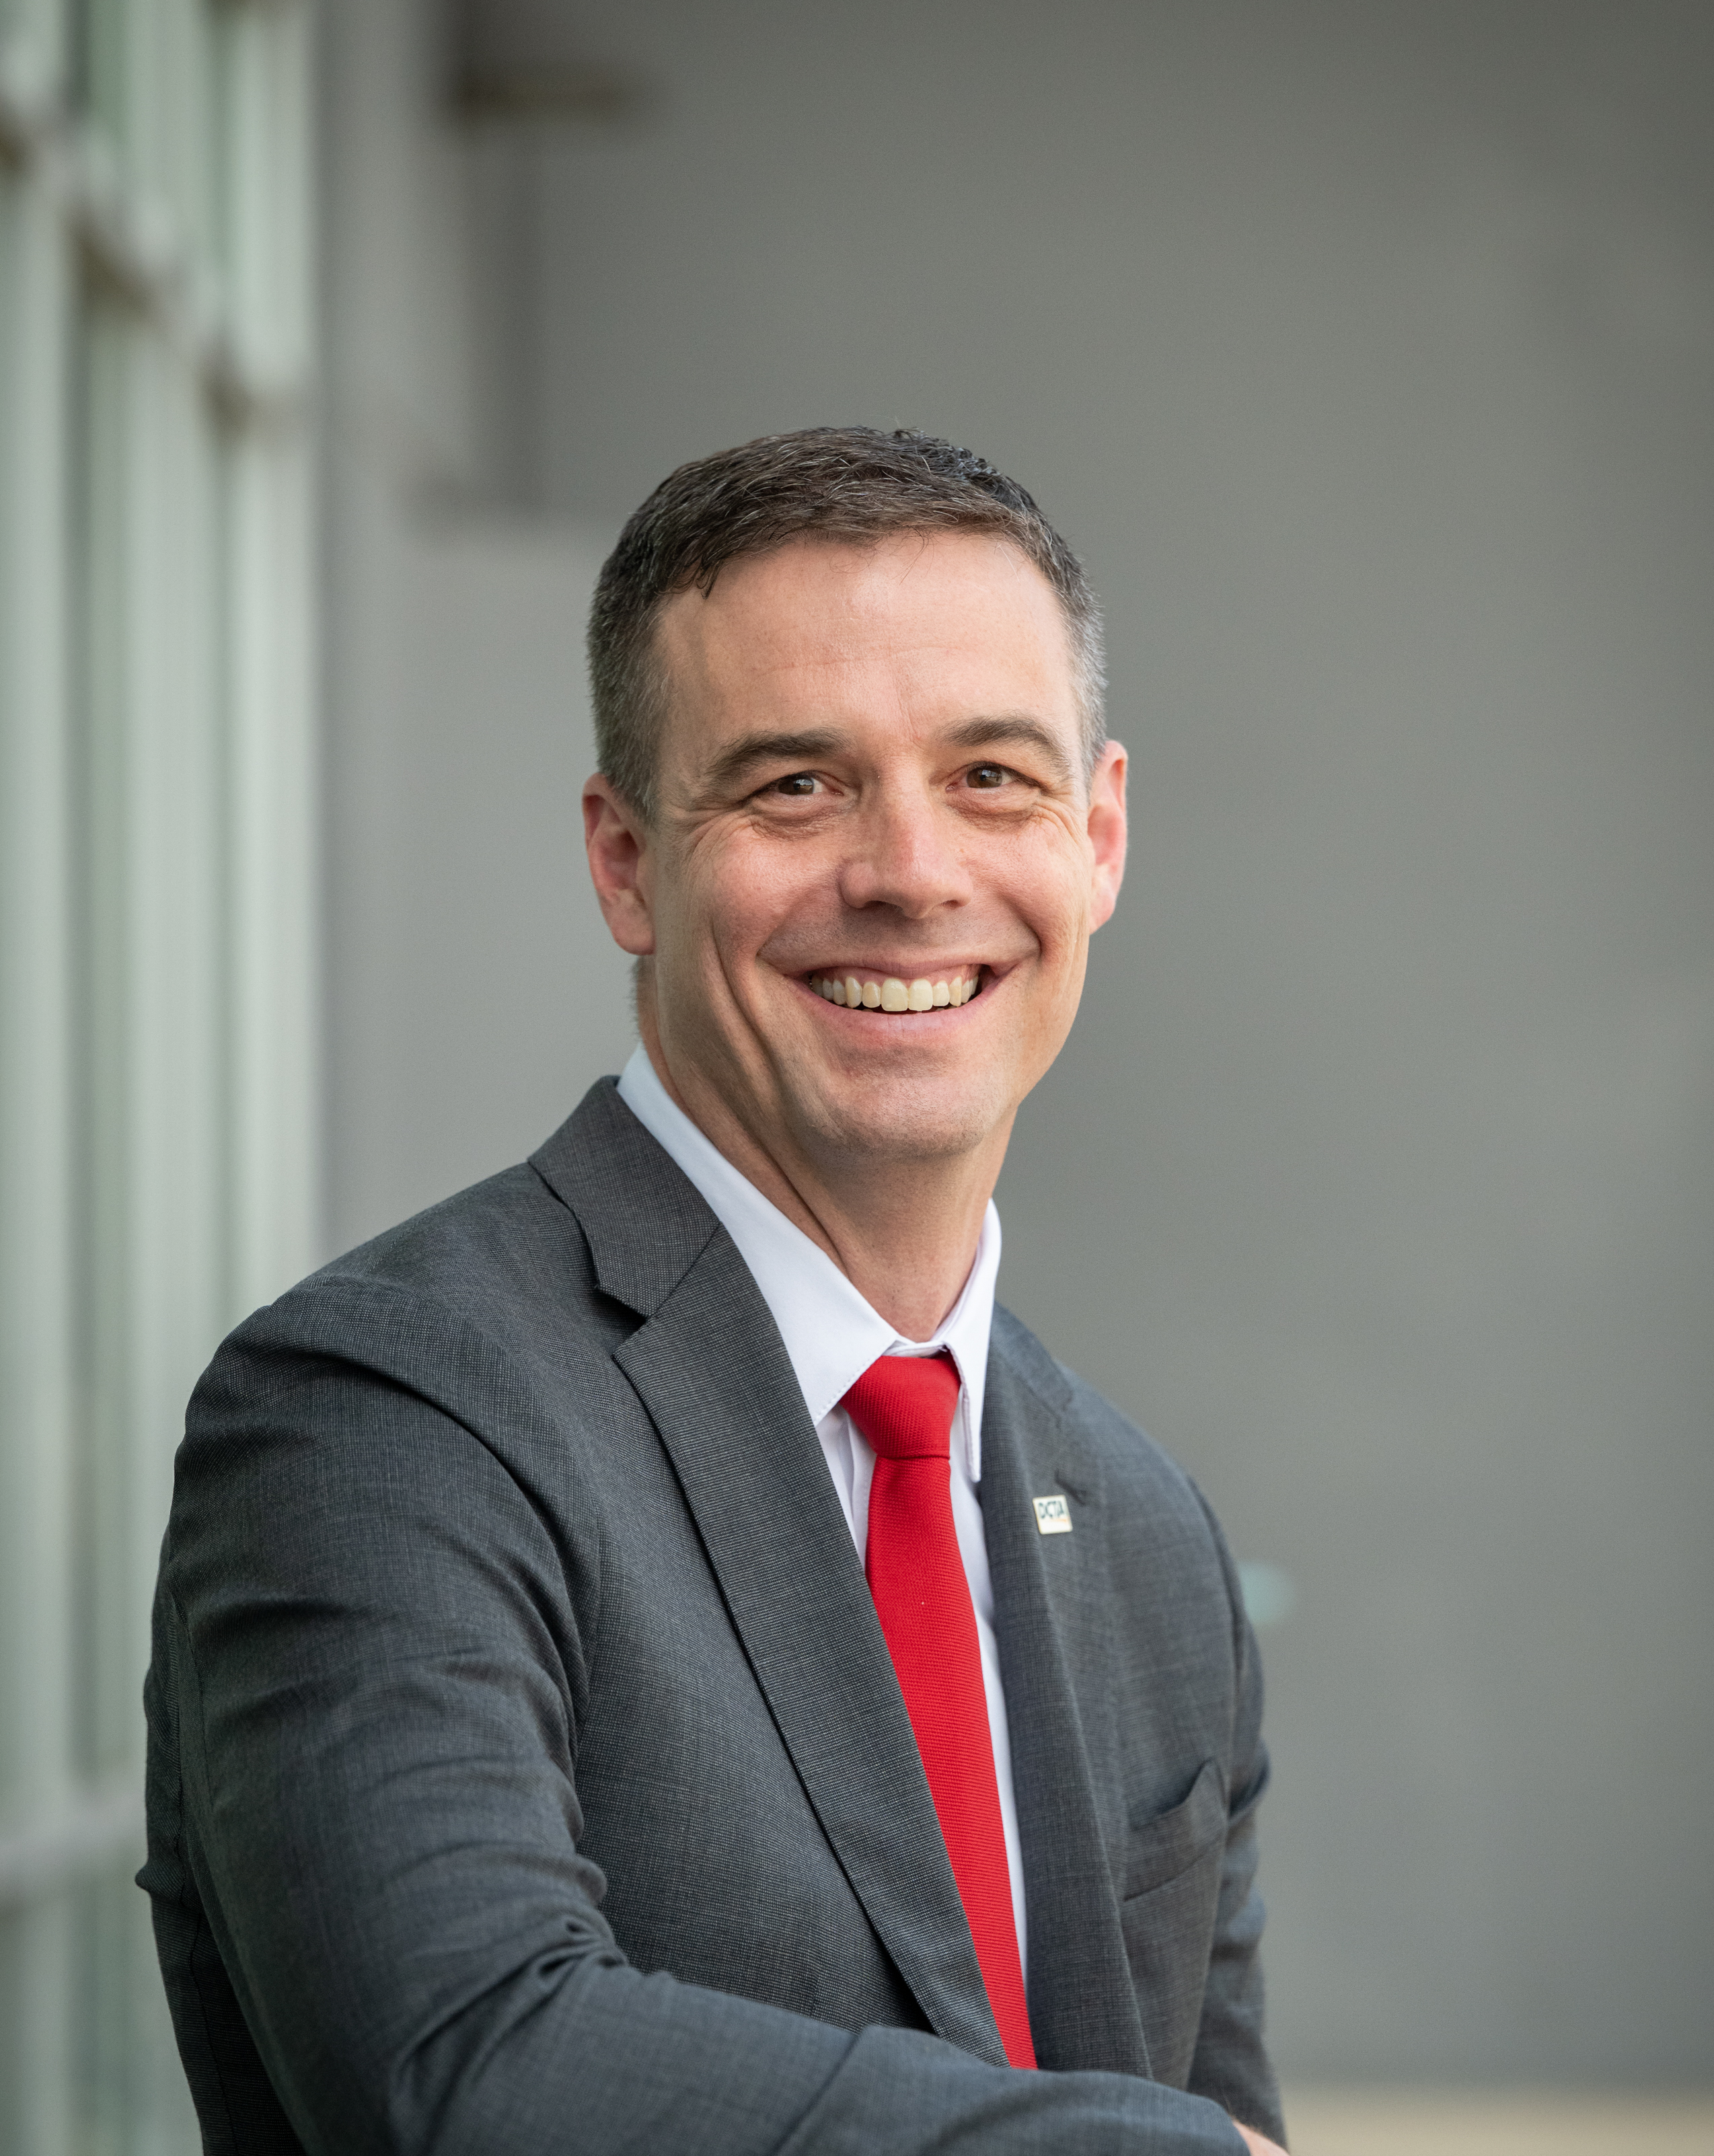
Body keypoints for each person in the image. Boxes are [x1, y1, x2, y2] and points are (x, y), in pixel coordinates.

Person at [141, 427, 1288, 2155]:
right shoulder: (380, 1415)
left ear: (1098, 835)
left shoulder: (1144, 1532)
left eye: (991, 775)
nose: (910, 869)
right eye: (794, 786)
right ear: (622, 859)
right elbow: (464, 2071)